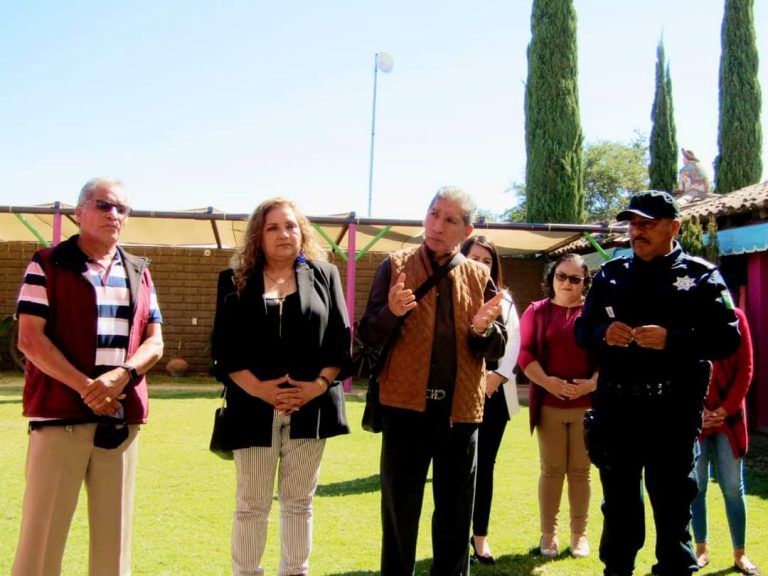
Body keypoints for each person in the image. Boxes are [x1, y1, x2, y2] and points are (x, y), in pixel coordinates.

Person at [575, 190, 741, 576]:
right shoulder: (611, 274)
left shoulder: (701, 277)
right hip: (617, 412)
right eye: (633, 224)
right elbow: (582, 330)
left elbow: (728, 338)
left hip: (672, 415)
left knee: (672, 510)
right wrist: (603, 331)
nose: (637, 231)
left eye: (647, 224)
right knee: (618, 510)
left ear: (674, 227)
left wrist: (673, 340)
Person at [13, 177, 164, 576]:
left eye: (122, 209)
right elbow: (30, 339)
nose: (114, 214)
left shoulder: (139, 271)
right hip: (59, 417)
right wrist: (87, 387)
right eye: (104, 205)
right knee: (41, 539)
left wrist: (123, 375)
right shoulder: (46, 263)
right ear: (79, 212)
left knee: (114, 545)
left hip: (119, 421)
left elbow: (155, 343)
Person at [358, 186, 506, 576]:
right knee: (399, 519)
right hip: (404, 410)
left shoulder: (479, 275)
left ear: (467, 230)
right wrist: (390, 312)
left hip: (460, 416)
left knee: (455, 522)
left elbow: (496, 346)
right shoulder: (395, 265)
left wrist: (481, 330)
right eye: (433, 214)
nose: (437, 225)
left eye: (450, 220)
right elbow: (367, 333)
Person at [211, 197, 351, 576]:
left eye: (290, 225)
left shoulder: (325, 276)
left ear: (301, 231)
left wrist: (317, 386)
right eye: (273, 227)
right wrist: (261, 390)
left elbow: (341, 341)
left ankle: (295, 572)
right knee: (252, 504)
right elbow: (223, 352)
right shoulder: (234, 280)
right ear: (259, 236)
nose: (283, 234)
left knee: (298, 503)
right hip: (252, 409)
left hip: (311, 409)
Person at [517, 253, 596, 560]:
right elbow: (524, 354)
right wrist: (548, 382)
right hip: (548, 405)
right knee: (551, 471)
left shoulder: (595, 313)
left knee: (580, 472)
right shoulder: (536, 312)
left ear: (584, 282)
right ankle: (548, 534)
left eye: (575, 278)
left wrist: (592, 384)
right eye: (561, 276)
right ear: (551, 278)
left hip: (586, 406)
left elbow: (609, 355)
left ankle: (579, 535)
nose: (566, 283)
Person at [461, 235, 521, 565]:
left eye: (487, 260)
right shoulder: (455, 293)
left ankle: (480, 537)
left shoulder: (505, 299)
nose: (481, 264)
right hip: (459, 394)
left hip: (495, 395)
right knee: (457, 470)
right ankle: (455, 539)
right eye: (475, 258)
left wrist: (496, 377)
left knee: (485, 467)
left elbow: (514, 342)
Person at [691, 307, 760, 576]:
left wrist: (725, 408)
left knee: (733, 487)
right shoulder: (686, 317)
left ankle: (740, 554)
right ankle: (700, 550)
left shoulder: (737, 317)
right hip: (696, 418)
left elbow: (746, 368)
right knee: (695, 486)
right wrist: (697, 411)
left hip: (729, 418)